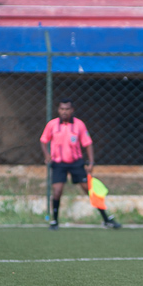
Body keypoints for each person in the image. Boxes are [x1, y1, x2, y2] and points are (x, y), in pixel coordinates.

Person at [40, 98, 120, 230]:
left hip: (76, 163)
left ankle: (106, 219)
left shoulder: (79, 125)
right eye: (62, 109)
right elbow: (43, 140)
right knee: (57, 191)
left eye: (67, 109)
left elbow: (88, 144)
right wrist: (46, 155)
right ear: (58, 110)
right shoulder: (52, 125)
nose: (64, 112)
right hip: (59, 163)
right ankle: (54, 221)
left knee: (89, 190)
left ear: (72, 110)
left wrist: (91, 162)